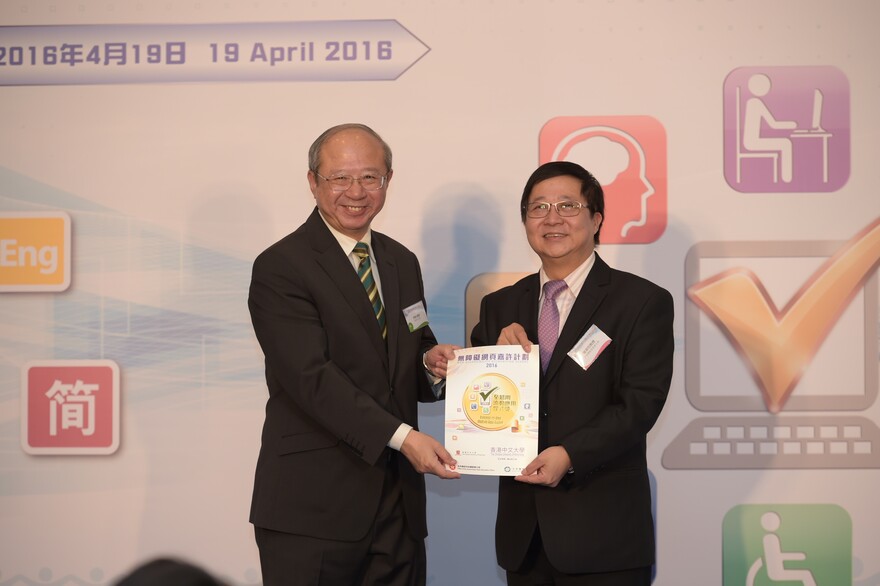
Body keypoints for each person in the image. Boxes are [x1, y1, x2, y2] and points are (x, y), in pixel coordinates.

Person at [248, 123, 460, 586]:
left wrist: (431, 364)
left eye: (370, 177)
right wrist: (405, 438)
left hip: (398, 507)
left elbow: (411, 346)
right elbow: (312, 379)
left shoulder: (401, 261)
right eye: (339, 178)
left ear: (388, 181)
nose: (356, 192)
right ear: (312, 182)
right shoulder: (281, 266)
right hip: (313, 509)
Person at [471, 161, 674, 585]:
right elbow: (483, 399)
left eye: (567, 205)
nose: (552, 218)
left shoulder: (640, 301)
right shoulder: (499, 306)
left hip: (604, 536)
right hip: (524, 539)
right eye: (538, 207)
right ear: (525, 220)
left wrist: (569, 455)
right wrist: (462, 360)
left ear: (596, 218)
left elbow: (639, 405)